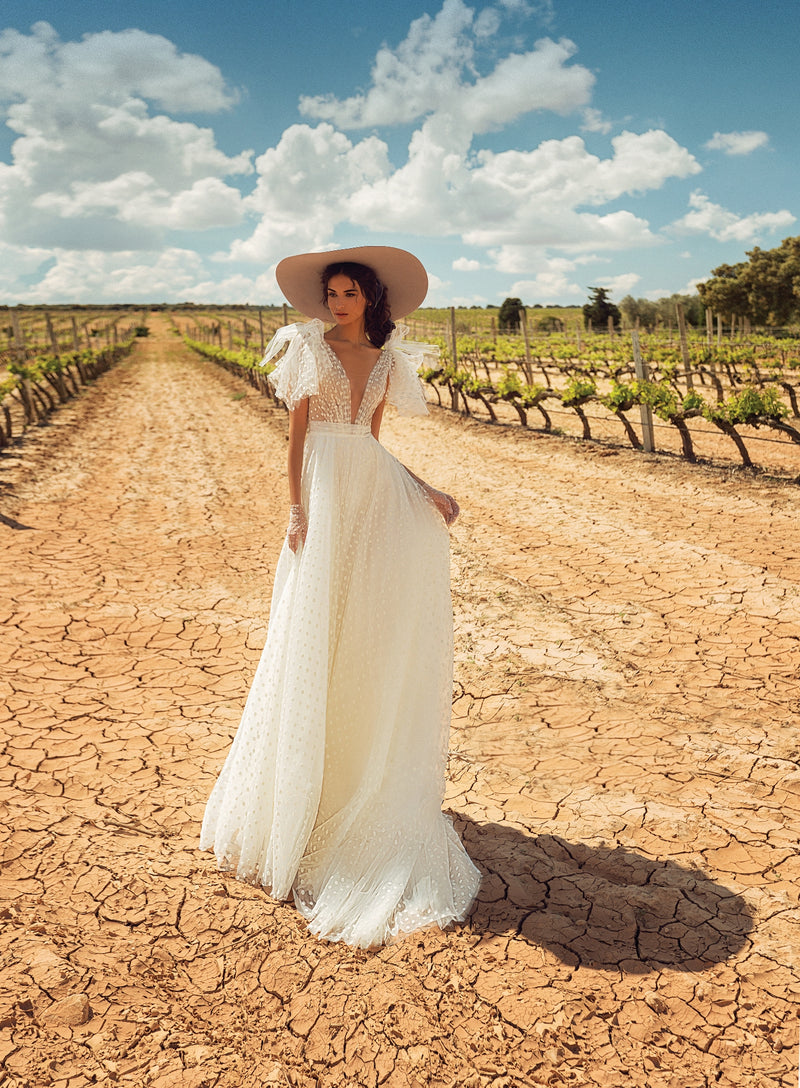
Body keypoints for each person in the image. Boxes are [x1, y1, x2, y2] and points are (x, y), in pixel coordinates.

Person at [200, 245, 480, 948]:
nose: (338, 304)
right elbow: (297, 441)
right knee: (309, 631)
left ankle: (353, 781)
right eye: (332, 293)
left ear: (371, 301)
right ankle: (296, 801)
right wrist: (296, 511)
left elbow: (371, 444)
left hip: (367, 496)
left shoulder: (387, 363)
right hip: (321, 501)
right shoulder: (304, 349)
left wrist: (425, 489)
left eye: (350, 294)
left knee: (362, 632)